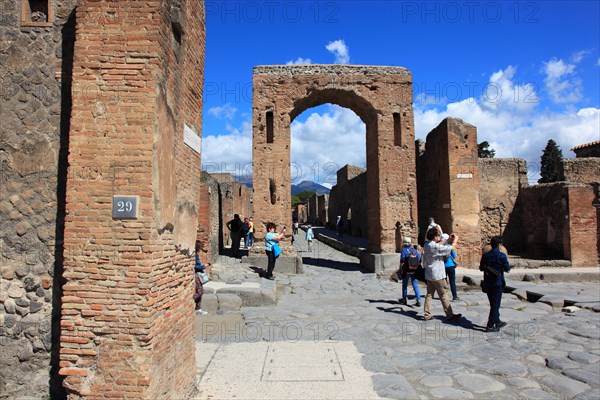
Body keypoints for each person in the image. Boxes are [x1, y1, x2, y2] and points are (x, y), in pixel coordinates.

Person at [422, 229, 462, 321]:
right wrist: (455, 240)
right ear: (435, 237)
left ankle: (426, 314)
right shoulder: (434, 247)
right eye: (438, 236)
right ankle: (450, 314)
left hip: (429, 274)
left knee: (429, 295)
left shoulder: (427, 244)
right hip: (438, 275)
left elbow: (438, 245)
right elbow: (450, 248)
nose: (439, 237)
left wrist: (447, 240)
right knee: (443, 294)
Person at [480, 236, 511, 332]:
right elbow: (507, 269)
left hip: (487, 282)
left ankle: (497, 321)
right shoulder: (502, 256)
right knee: (495, 305)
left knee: (493, 303)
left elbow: (481, 268)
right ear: (499, 245)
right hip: (497, 283)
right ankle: (490, 325)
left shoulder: (485, 255)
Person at [399, 237, 422, 307]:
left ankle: (404, 298)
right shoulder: (414, 250)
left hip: (406, 270)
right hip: (414, 270)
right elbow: (420, 258)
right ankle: (418, 299)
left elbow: (402, 260)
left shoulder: (404, 250)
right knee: (415, 284)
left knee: (405, 285)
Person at [193, 241, 211, 315]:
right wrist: (204, 266)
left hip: (197, 274)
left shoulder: (196, 254)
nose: (201, 250)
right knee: (200, 292)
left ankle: (198, 309)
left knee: (200, 291)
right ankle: (191, 301)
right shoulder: (194, 255)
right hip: (196, 275)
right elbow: (195, 266)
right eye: (200, 248)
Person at [443, 233, 459, 301]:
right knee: (452, 282)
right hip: (451, 266)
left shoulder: (440, 247)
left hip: (443, 266)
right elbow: (454, 256)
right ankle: (455, 296)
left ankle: (444, 296)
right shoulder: (449, 246)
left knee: (444, 282)